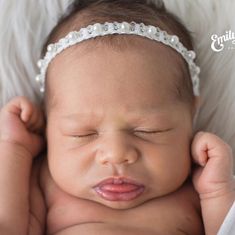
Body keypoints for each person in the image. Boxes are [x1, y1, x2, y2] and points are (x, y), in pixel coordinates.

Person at [0, 0, 234, 234]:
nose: (116, 154)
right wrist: (15, 149)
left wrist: (217, 191)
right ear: (48, 124)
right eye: (82, 133)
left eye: (148, 130)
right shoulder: (46, 185)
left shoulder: (195, 190)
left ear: (191, 115)